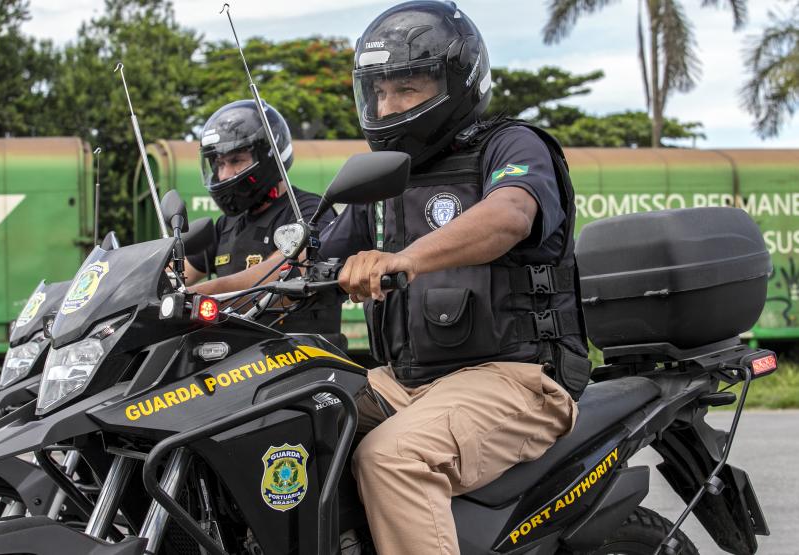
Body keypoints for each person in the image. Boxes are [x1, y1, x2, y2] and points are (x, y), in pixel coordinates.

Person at [191, 2, 591, 553]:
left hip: (517, 379)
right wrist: (190, 295)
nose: (387, 104)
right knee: (271, 417)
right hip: (404, 382)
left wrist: (404, 259)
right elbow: (293, 264)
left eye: (406, 88)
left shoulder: (511, 146)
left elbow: (510, 216)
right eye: (378, 91)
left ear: (457, 81)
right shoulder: (384, 181)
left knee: (393, 458)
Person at [185, 99, 341, 335]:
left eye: (236, 160)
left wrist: (199, 296)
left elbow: (283, 271)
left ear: (269, 155)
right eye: (219, 164)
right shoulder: (226, 226)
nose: (225, 174)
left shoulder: (308, 212)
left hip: (298, 355)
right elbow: (176, 274)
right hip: (235, 358)